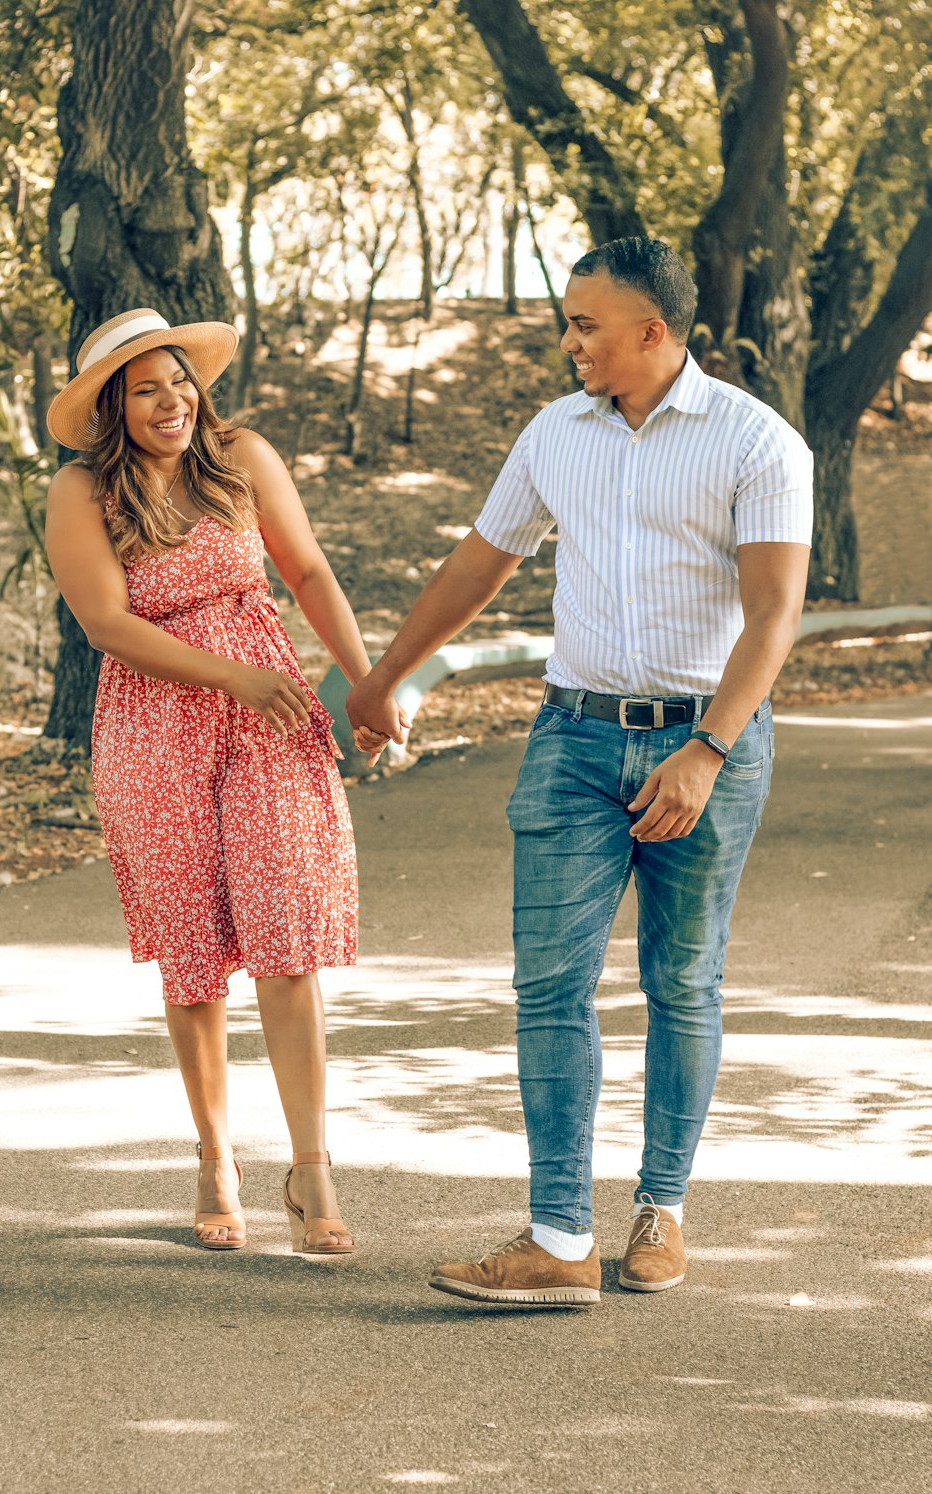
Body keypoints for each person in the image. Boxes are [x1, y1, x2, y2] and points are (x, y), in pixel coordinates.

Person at [348, 237, 812, 1307]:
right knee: (550, 983)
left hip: (708, 740)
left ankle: (662, 1209)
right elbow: (481, 559)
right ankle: (559, 1236)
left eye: (586, 325)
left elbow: (774, 614)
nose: (569, 343)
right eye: (569, 322)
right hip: (573, 741)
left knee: (680, 979)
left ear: (654, 332)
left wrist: (707, 751)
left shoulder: (757, 442)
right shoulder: (556, 433)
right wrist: (385, 678)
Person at [45, 308, 392, 1257]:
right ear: (114, 405)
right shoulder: (84, 491)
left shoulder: (241, 456)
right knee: (194, 955)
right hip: (155, 725)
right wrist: (233, 677)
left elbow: (309, 570)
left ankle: (312, 1170)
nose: (173, 402)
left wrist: (363, 685)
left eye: (180, 381)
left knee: (288, 934)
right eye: (146, 388)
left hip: (270, 718)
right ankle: (215, 1159)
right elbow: (108, 625)